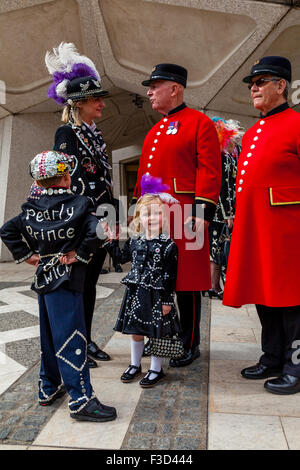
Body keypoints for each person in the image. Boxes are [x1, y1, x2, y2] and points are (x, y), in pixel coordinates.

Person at [0, 151, 117, 421]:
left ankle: (48, 388)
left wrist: (28, 256)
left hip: (44, 277)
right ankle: (80, 400)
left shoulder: (31, 208)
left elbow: (7, 230)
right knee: (71, 336)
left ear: (39, 182)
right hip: (68, 277)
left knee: (50, 336)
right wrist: (79, 254)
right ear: (66, 177)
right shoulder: (79, 203)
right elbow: (99, 232)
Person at [131, 64, 221, 367]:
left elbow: (209, 169)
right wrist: (138, 215)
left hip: (186, 213)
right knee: (156, 278)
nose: (149, 92)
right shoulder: (155, 129)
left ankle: (189, 342)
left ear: (175, 88)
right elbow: (144, 176)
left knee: (187, 281)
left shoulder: (199, 122)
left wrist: (203, 210)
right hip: (156, 217)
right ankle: (162, 337)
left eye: (154, 86)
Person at [223, 56, 300, 395]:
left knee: (292, 300)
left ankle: (295, 365)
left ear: (281, 86)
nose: (253, 87)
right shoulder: (254, 130)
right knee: (265, 296)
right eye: (251, 83)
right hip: (256, 227)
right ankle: (272, 356)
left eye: (261, 81)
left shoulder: (297, 123)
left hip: (288, 230)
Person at [45, 42, 116, 368]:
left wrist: (111, 219)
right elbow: (71, 182)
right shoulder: (67, 133)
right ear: (78, 104)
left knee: (90, 285)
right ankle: (75, 345)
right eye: (95, 99)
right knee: (77, 286)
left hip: (99, 219)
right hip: (81, 221)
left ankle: (86, 340)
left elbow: (104, 182)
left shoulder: (96, 134)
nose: (101, 104)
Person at [107, 178, 181, 387]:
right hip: (137, 294)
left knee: (157, 332)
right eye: (148, 213)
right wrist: (110, 242)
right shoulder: (135, 240)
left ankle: (156, 369)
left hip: (158, 296)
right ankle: (134, 364)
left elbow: (170, 276)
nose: (153, 217)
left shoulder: (168, 246)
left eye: (157, 213)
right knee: (136, 330)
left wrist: (168, 301)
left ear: (163, 217)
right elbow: (121, 258)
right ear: (140, 217)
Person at [204, 117, 243, 299]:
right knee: (216, 249)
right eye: (233, 138)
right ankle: (213, 286)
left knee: (221, 249)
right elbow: (222, 187)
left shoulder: (230, 155)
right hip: (218, 213)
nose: (235, 142)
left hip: (228, 211)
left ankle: (216, 285)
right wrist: (228, 213)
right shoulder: (219, 156)